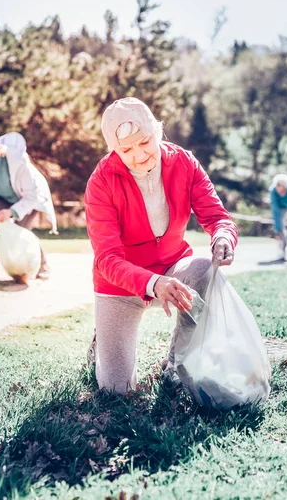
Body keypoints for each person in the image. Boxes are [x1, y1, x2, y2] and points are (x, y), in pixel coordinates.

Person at [84, 97, 238, 394]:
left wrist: (222, 236)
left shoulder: (184, 162)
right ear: (113, 150)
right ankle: (102, 343)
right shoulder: (101, 182)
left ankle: (175, 364)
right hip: (120, 287)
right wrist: (153, 283)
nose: (139, 155)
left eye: (144, 142)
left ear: (157, 131)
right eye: (126, 150)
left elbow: (218, 217)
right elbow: (107, 259)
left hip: (172, 266)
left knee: (205, 271)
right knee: (115, 390)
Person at [0, 128, 58, 281]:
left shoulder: (17, 160)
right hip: (1, 200)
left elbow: (31, 196)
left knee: (21, 231)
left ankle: (43, 264)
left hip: (28, 198)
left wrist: (11, 212)